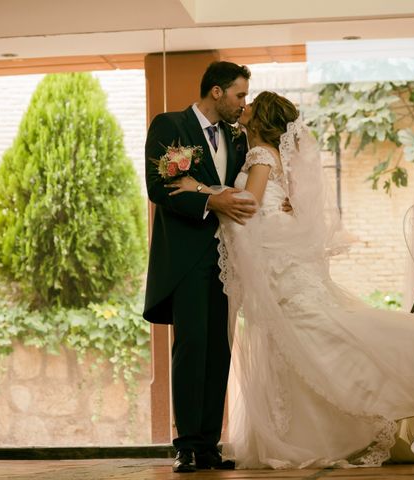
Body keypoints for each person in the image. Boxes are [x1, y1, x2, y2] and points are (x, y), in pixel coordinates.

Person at [167, 91, 414, 469]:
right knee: (304, 340)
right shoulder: (266, 155)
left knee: (310, 336)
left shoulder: (260, 154)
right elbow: (271, 202)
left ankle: (332, 422)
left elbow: (247, 205)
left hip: (276, 264)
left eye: (251, 103)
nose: (245, 106)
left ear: (261, 117)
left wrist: (200, 190)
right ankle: (321, 429)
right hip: (278, 260)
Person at [143, 61, 257, 473]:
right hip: (187, 259)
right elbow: (160, 187)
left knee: (218, 350)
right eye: (239, 95)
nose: (243, 103)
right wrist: (211, 201)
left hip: (227, 258)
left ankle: (209, 444)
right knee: (191, 348)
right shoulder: (169, 125)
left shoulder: (237, 138)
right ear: (216, 92)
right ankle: (187, 446)